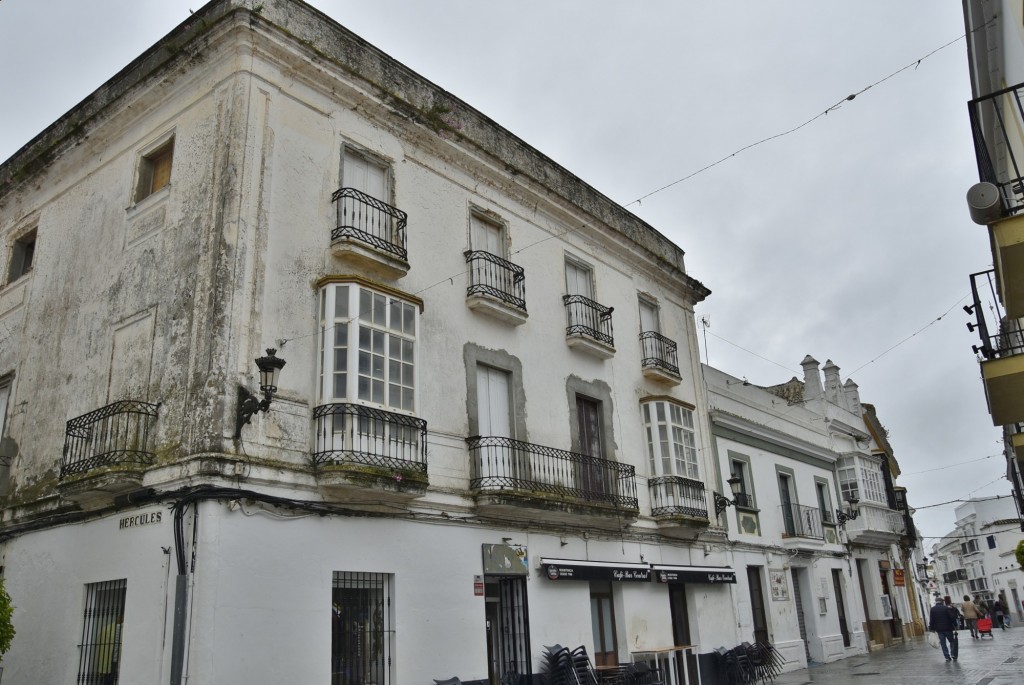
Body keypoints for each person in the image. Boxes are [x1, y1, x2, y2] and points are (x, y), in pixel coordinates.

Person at [929, 594, 960, 661]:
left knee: (943, 643)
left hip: (939, 629)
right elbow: (952, 617)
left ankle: (947, 656)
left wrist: (932, 629)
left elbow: (931, 620)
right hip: (948, 628)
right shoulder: (946, 608)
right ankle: (953, 654)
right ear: (941, 602)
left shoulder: (932, 609)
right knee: (952, 641)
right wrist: (955, 625)